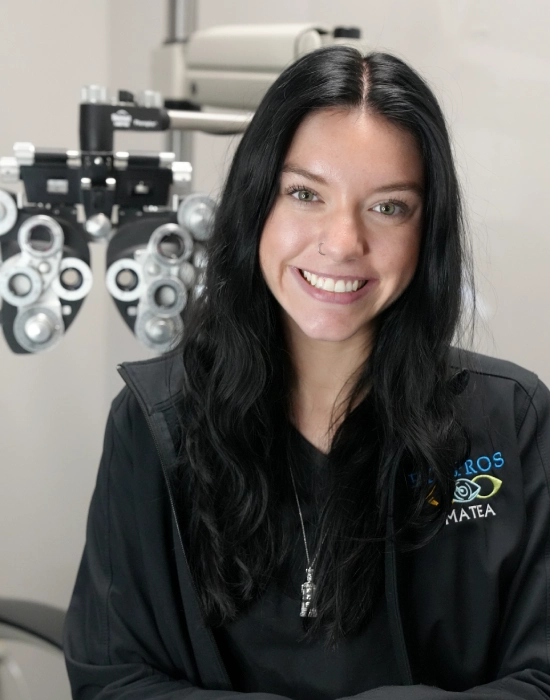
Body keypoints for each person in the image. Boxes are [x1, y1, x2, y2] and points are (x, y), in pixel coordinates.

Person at [63, 46, 550, 700]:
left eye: (389, 207)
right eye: (304, 194)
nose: (343, 241)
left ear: (426, 230)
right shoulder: (155, 424)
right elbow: (111, 678)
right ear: (257, 200)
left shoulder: (508, 424)